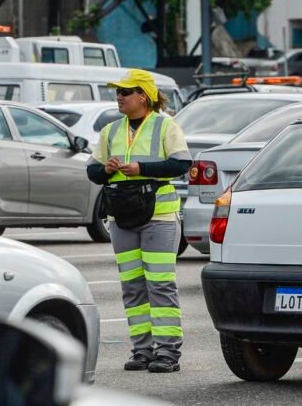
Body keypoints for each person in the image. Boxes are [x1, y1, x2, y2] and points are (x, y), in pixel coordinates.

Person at [85, 69, 192, 373]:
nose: (118, 97)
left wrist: (140, 166)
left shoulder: (165, 125)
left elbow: (182, 163)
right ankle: (142, 350)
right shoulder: (111, 130)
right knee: (133, 287)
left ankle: (168, 353)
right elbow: (92, 172)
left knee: (160, 285)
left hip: (158, 216)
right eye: (117, 92)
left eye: (125, 92)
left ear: (143, 96)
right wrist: (107, 169)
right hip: (122, 217)